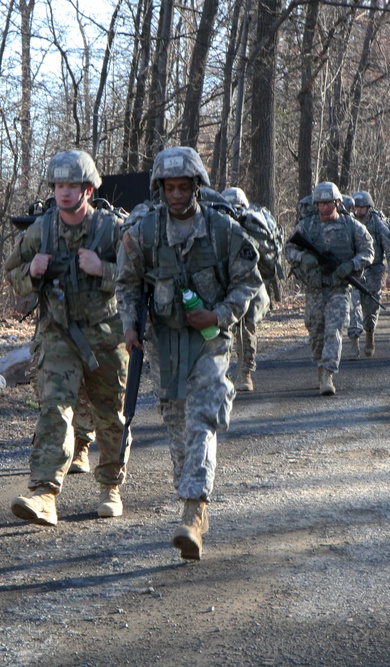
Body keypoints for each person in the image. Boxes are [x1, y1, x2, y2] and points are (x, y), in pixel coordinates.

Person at [116, 146, 262, 560]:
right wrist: (130, 325)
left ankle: (194, 511)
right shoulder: (143, 232)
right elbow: (126, 283)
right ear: (159, 189)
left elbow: (248, 282)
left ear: (197, 186)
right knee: (176, 419)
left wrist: (219, 313)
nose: (177, 194)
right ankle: (190, 497)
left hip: (211, 338)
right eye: (169, 187)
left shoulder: (222, 230)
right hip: (163, 342)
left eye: (184, 187)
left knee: (201, 414)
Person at [4, 150, 129, 526]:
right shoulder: (41, 230)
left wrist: (103, 269)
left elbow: (138, 276)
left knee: (111, 414)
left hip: (106, 336)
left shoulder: (111, 229)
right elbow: (11, 274)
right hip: (57, 333)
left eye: (71, 185)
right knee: (55, 409)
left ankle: (110, 486)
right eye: (58, 185)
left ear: (88, 190)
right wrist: (32, 271)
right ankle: (44, 493)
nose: (63, 192)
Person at [284, 182, 374, 395]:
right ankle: (320, 365)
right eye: (321, 203)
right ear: (316, 204)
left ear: (337, 202)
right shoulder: (306, 226)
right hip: (314, 288)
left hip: (339, 288)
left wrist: (351, 265)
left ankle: (327, 374)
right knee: (316, 331)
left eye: (329, 203)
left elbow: (368, 252)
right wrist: (303, 257)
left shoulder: (351, 226)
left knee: (334, 331)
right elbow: (288, 248)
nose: (325, 207)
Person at [220, 186, 274, 392]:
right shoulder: (219, 224)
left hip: (251, 282)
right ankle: (222, 373)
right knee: (223, 328)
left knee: (246, 327)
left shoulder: (253, 224)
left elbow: (263, 253)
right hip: (226, 281)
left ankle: (244, 372)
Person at [346, 191, 390, 357]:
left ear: (369, 207)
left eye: (362, 207)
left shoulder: (378, 224)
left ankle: (370, 333)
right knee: (353, 307)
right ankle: (354, 342)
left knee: (370, 310)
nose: (359, 210)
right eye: (356, 207)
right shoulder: (348, 222)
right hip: (354, 271)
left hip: (373, 271)